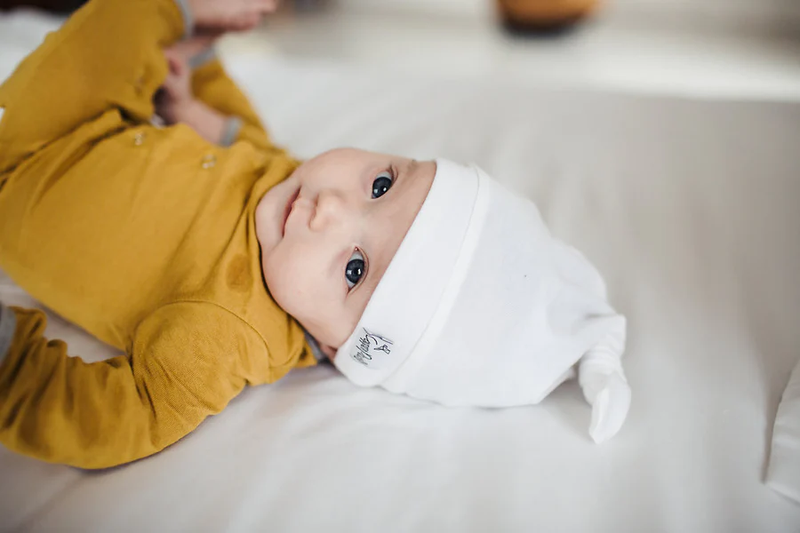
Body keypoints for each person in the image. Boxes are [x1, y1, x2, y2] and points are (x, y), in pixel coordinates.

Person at [0, 0, 631, 470]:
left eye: (356, 270)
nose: (331, 206)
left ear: (336, 350)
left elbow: (118, 420)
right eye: (382, 185)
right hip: (105, 127)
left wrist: (13, 364)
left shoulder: (226, 337)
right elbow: (254, 148)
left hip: (28, 176)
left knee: (117, 27)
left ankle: (182, 8)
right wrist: (195, 103)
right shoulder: (295, 206)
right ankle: (193, 26)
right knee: (145, 52)